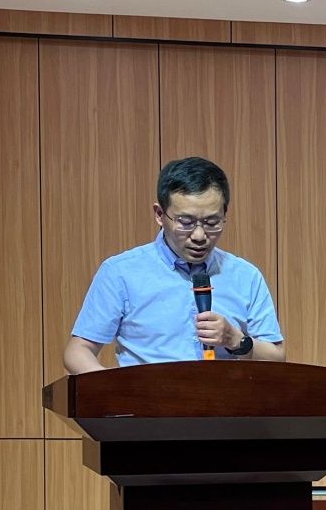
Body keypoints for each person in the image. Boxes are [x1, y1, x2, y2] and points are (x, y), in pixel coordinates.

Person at [64, 156, 284, 372]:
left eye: (212, 222)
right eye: (186, 222)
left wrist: (237, 341)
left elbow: (277, 357)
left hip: (225, 395)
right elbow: (78, 351)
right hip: (146, 395)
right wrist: (113, 390)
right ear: (160, 215)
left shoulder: (246, 276)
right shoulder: (120, 273)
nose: (199, 235)